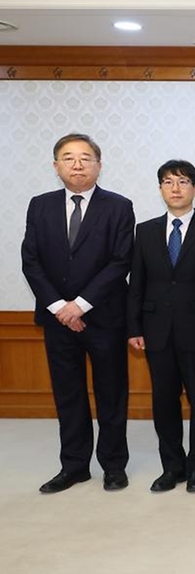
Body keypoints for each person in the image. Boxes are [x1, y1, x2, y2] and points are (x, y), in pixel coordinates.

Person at [22, 132, 135, 493]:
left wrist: (80, 305)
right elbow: (31, 261)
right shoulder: (39, 205)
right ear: (56, 166)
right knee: (67, 393)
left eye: (85, 157)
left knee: (111, 393)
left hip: (104, 318)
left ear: (99, 166)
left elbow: (121, 261)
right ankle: (74, 466)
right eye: (68, 158)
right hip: (57, 320)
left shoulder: (118, 206)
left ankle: (114, 466)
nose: (77, 164)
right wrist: (59, 307)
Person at [126, 160, 195, 493]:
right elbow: (137, 284)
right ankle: (172, 466)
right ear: (160, 189)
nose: (176, 188)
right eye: (168, 182)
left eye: (183, 182)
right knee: (164, 400)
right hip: (156, 330)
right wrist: (134, 327)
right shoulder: (144, 231)